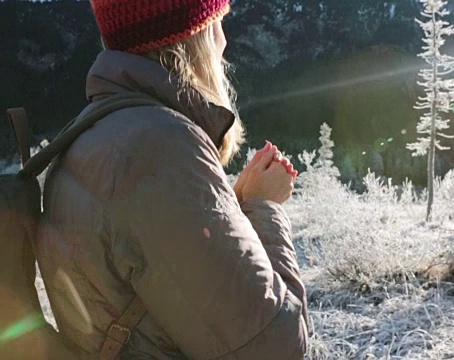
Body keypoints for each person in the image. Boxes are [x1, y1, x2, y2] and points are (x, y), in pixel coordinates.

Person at [34, 0, 309, 359]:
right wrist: (265, 206)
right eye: (217, 23)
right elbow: (277, 347)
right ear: (192, 36)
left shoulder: (90, 133)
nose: (224, 41)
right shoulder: (161, 148)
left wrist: (233, 210)